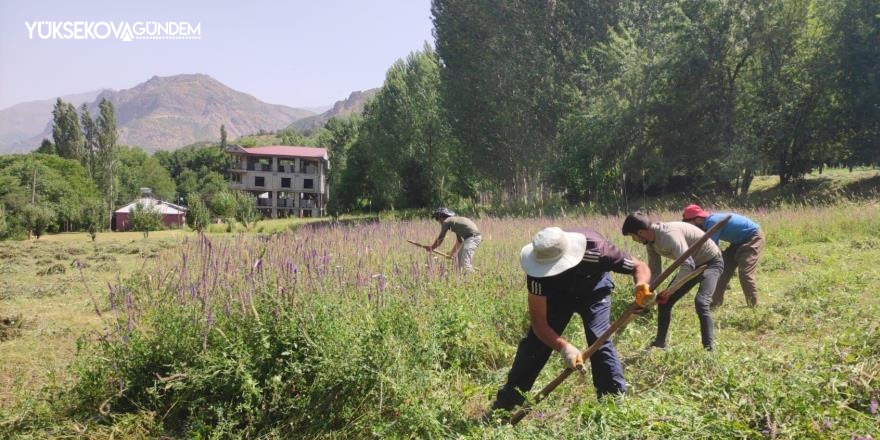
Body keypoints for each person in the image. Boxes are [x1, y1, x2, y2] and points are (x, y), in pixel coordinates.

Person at [488, 226, 652, 414]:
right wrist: (564, 347)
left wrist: (641, 286)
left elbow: (639, 267)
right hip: (558, 298)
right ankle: (506, 405)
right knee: (534, 345)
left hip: (594, 291)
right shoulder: (537, 270)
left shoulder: (597, 250)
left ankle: (613, 405)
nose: (552, 272)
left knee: (599, 340)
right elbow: (539, 323)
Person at [621, 212, 723, 351]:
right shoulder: (651, 243)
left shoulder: (669, 235)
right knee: (665, 303)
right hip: (693, 265)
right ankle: (660, 343)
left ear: (640, 232)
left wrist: (669, 291)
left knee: (701, 302)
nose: (634, 240)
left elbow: (687, 265)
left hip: (711, 262)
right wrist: (646, 293)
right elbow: (655, 271)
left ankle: (709, 349)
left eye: (633, 236)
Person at [681, 204, 765, 308]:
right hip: (738, 241)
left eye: (690, 223)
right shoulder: (708, 223)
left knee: (745, 273)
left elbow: (711, 247)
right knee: (720, 270)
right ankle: (716, 303)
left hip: (752, 237)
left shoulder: (712, 222)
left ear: (697, 219)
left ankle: (753, 306)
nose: (690, 227)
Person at [425, 207, 481, 273]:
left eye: (437, 218)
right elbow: (459, 241)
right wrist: (451, 253)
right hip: (470, 238)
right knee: (457, 262)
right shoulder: (455, 222)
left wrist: (432, 247)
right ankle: (459, 279)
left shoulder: (447, 221)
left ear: (441, 217)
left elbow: (440, 238)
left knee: (465, 263)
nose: (437, 221)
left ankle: (476, 277)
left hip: (472, 238)